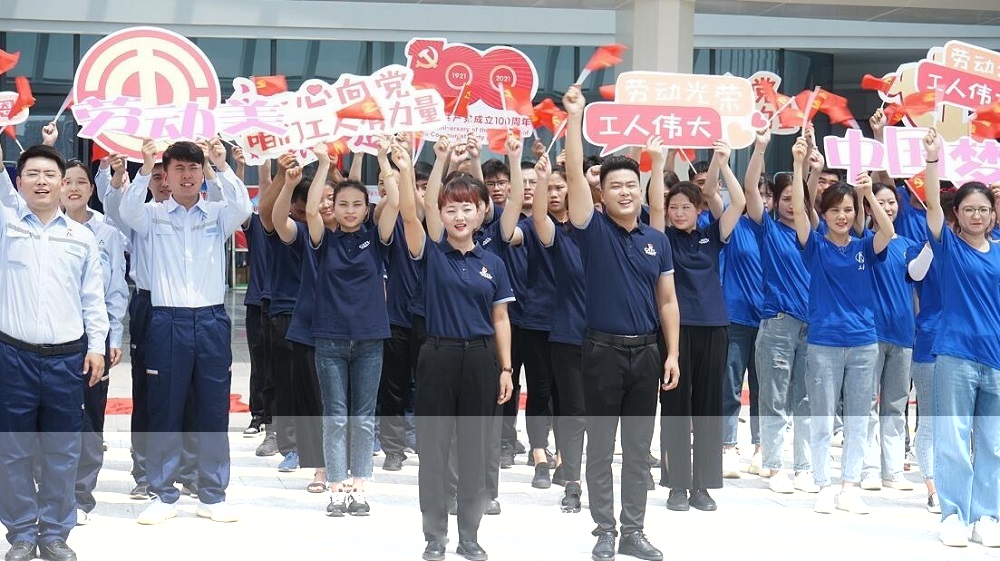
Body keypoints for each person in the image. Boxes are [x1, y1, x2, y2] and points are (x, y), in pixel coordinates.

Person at [564, 84, 680, 561]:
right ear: (602, 193)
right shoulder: (592, 230)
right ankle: (605, 529)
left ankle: (634, 530)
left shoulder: (657, 239)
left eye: (632, 184)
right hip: (602, 351)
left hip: (647, 352)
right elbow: (574, 174)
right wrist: (575, 118)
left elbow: (668, 301)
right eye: (615, 186)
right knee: (600, 447)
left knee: (637, 449)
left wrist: (672, 353)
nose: (625, 191)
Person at [122, 137, 252, 525]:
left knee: (212, 408)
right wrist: (144, 167)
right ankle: (163, 494)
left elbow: (243, 207)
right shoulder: (152, 215)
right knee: (165, 408)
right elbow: (127, 210)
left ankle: (212, 494)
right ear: (166, 174)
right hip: (167, 321)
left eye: (193, 168)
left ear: (201, 173)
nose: (187, 175)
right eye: (178, 168)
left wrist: (221, 165)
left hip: (210, 320)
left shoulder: (217, 214)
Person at [399, 136, 514, 561]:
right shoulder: (430, 253)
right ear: (441, 213)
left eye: (467, 208)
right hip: (438, 355)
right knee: (433, 449)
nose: (459, 216)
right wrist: (436, 161)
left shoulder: (493, 264)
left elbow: (501, 319)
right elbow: (411, 213)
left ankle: (470, 536)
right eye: (451, 209)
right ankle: (435, 537)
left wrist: (506, 368)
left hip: (482, 360)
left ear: (482, 211)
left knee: (475, 450)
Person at [0, 143, 109, 561]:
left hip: (66, 360)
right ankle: (21, 533)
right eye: (32, 174)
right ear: (19, 182)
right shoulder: (7, 227)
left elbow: (93, 298)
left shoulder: (81, 238)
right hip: (14, 357)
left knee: (63, 449)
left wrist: (97, 347)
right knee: (13, 449)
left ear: (63, 184)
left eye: (49, 175)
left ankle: (55, 533)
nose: (41, 182)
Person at [788, 136, 894, 515]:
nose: (842, 216)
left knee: (858, 419)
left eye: (848, 210)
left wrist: (867, 195)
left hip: (864, 343)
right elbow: (799, 209)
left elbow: (888, 232)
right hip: (824, 343)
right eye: (834, 210)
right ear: (825, 213)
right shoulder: (814, 246)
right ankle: (824, 485)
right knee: (822, 418)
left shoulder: (865, 247)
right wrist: (799, 164)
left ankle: (850, 486)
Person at [306, 140, 399, 516]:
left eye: (357, 204)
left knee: (362, 417)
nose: (349, 210)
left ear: (366, 207)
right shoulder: (323, 240)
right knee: (335, 415)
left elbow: (395, 202)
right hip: (329, 340)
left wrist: (383, 158)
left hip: (369, 340)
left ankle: (359, 486)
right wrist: (323, 165)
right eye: (342, 203)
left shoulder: (376, 239)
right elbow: (310, 209)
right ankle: (335, 488)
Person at [100, 154, 200, 501]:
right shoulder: (139, 216)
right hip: (150, 306)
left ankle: (189, 471)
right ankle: (144, 471)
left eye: (165, 175)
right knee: (147, 392)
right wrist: (128, 171)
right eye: (156, 177)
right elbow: (115, 206)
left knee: (191, 390)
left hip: (189, 308)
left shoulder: (196, 215)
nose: (163, 183)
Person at [922, 129, 1000, 548]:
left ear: (993, 214)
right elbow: (933, 205)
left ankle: (987, 516)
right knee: (952, 438)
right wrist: (933, 160)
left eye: (983, 209)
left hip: (996, 357)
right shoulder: (949, 247)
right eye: (969, 209)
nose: (976, 215)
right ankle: (954, 514)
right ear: (958, 214)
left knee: (993, 442)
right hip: (955, 354)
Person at [660, 139, 746, 512]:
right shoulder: (662, 239)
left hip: (714, 327)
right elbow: (654, 203)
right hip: (676, 332)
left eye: (686, 207)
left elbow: (738, 203)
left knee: (708, 406)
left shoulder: (712, 235)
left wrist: (722, 163)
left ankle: (703, 485)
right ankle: (677, 485)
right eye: (673, 207)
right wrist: (658, 161)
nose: (679, 213)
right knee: (676, 406)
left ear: (699, 209)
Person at [60, 160, 129, 526]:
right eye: (66, 181)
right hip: (52, 333)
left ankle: (81, 496)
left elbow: (116, 289)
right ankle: (50, 490)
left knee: (90, 416)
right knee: (50, 415)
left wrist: (111, 337)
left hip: (92, 334)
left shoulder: (107, 233)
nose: (73, 188)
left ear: (91, 188)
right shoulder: (40, 228)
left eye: (80, 182)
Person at [752, 163, 818, 495]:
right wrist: (761, 150)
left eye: (799, 199)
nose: (793, 205)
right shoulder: (768, 229)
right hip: (778, 322)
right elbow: (750, 190)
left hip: (813, 326)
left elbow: (811, 200)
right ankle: (775, 466)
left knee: (807, 399)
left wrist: (809, 168)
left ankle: (804, 468)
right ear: (775, 201)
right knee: (775, 398)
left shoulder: (813, 234)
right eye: (786, 198)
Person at [272, 156, 336, 495]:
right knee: (312, 402)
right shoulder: (306, 236)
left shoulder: (363, 237)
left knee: (342, 403)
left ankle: (347, 468)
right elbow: (278, 220)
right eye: (320, 198)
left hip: (350, 333)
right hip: (309, 330)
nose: (327, 204)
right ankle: (319, 467)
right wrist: (288, 185)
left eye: (332, 198)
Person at [526, 154, 586, 511]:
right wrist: (540, 178)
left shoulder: (586, 230)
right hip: (537, 319)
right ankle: (539, 456)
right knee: (540, 391)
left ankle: (566, 458)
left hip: (574, 326)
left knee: (569, 398)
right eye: (548, 188)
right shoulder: (540, 227)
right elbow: (537, 217)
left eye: (559, 187)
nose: (553, 193)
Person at [859, 182, 921, 493]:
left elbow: (917, 285)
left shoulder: (909, 244)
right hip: (872, 332)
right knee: (867, 403)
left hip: (903, 334)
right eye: (880, 202)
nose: (888, 207)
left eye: (892, 202)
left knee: (896, 405)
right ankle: (869, 468)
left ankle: (893, 470)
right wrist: (866, 193)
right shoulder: (866, 240)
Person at [722, 129, 772, 477]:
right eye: (760, 194)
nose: (763, 200)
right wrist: (758, 149)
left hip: (771, 320)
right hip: (736, 318)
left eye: (769, 195)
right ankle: (727, 446)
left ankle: (761, 447)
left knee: (764, 388)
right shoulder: (734, 224)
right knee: (729, 385)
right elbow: (745, 189)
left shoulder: (777, 229)